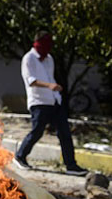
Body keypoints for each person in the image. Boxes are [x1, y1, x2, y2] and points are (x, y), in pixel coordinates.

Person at [13, 31, 88, 176]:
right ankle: (20, 156)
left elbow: (50, 77)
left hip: (54, 100)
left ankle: (71, 165)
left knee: (65, 133)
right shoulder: (29, 58)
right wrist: (49, 85)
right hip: (38, 101)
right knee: (37, 131)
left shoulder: (49, 59)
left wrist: (54, 90)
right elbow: (30, 80)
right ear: (37, 43)